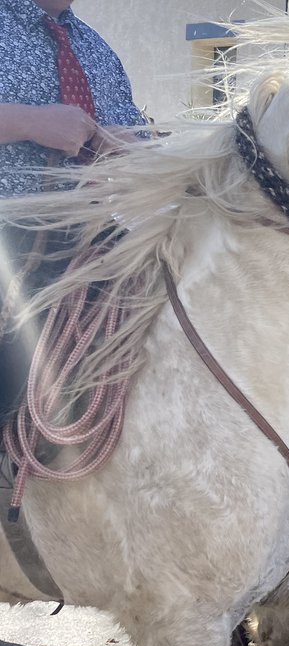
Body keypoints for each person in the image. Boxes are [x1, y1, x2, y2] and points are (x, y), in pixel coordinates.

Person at [0, 0, 144, 422]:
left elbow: (132, 130)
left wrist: (131, 147)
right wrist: (28, 121)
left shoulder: (95, 47)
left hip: (94, 232)